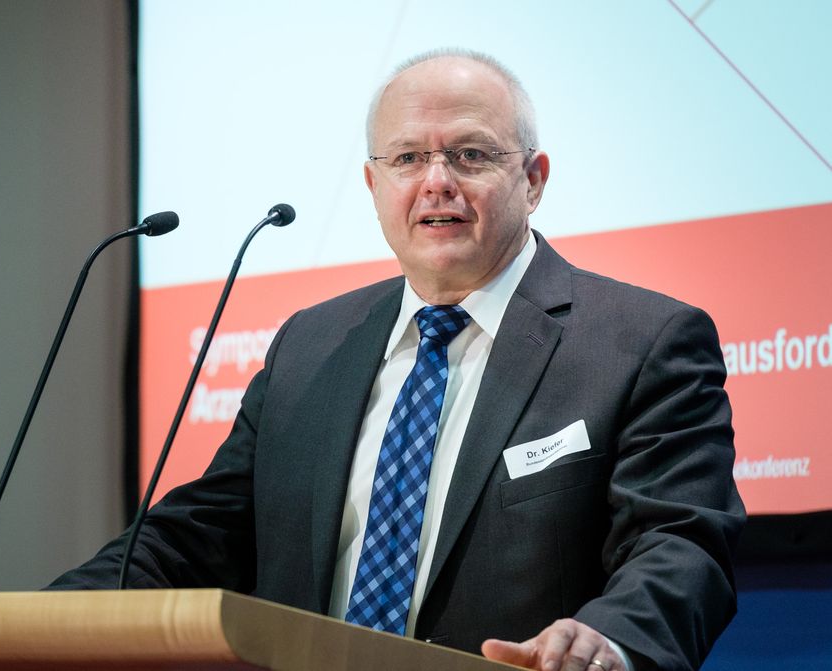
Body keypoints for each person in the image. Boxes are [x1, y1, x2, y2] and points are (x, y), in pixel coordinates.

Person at [47, 49, 745, 671]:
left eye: (470, 155)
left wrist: (607, 638)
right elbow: (194, 534)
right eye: (407, 158)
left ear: (533, 180)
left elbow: (681, 543)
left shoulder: (640, 339)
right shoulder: (310, 344)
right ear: (374, 185)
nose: (436, 181)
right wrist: (39, 615)